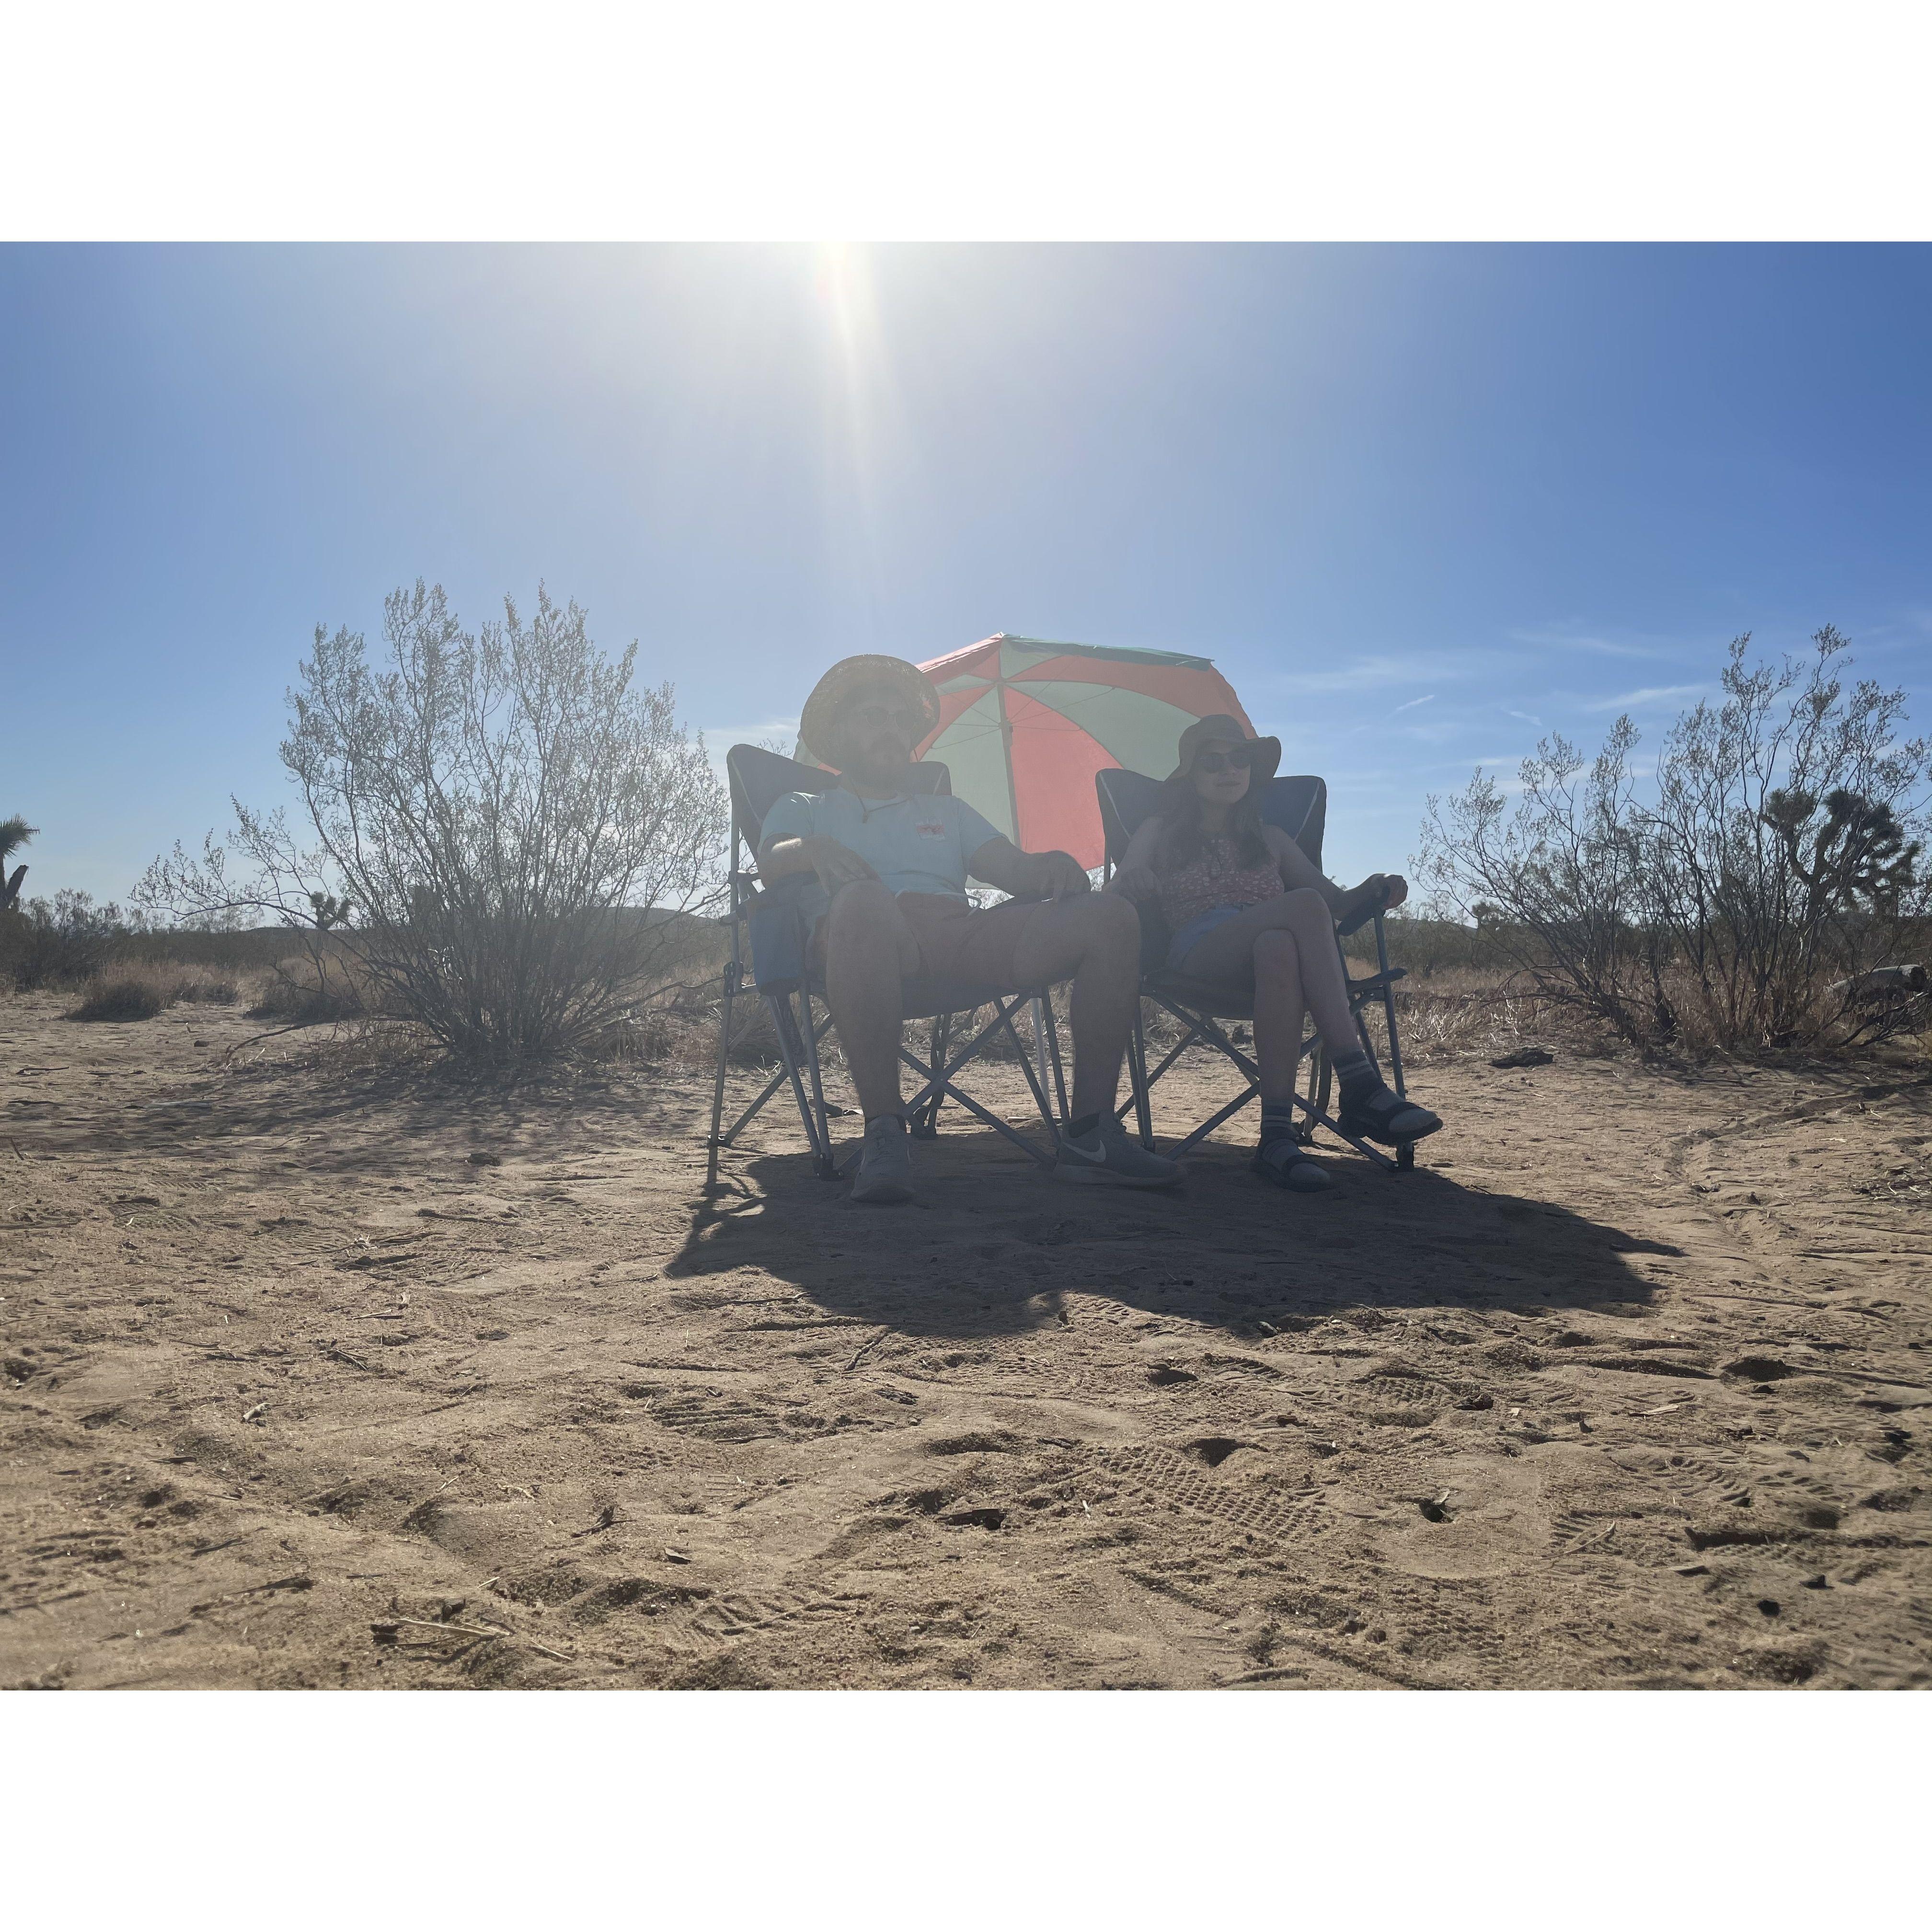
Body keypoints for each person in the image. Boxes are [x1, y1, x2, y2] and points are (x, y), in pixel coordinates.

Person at [759, 654, 1181, 1204]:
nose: (889, 728)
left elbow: (1010, 868)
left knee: (1110, 917)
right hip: (862, 935)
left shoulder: (947, 810)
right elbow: (770, 862)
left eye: (897, 718)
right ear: (838, 734)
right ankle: (885, 1132)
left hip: (957, 931)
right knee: (862, 901)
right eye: (871, 716)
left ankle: (1089, 1137)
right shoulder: (807, 805)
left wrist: (1046, 863)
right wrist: (811, 849)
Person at [1106, 714, 1442, 1194]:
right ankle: (1360, 1084)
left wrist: (1372, 890)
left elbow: (1337, 906)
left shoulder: (1273, 839)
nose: (1229, 770)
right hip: (1200, 954)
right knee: (1299, 911)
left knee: (1279, 946)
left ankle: (1276, 1138)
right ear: (1191, 777)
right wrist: (1133, 879)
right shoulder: (1160, 830)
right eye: (1212, 762)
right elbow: (1123, 882)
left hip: (1272, 962)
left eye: (1239, 758)